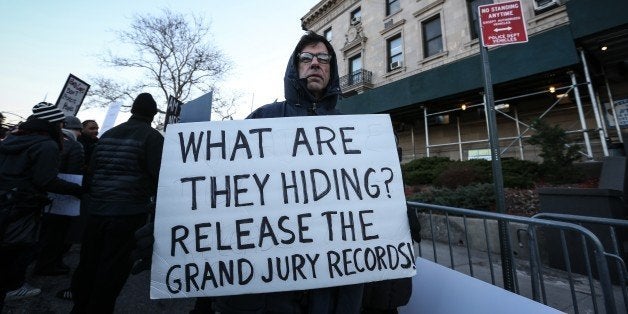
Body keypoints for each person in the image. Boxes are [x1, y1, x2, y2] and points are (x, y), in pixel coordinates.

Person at [70, 93, 164, 314]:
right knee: (113, 269)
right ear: (152, 114)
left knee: (89, 262)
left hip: (97, 210)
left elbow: (92, 170)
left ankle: (80, 306)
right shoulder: (153, 137)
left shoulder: (109, 134)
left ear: (133, 111)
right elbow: (160, 175)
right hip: (128, 213)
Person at [0, 102, 83, 309]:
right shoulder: (47, 145)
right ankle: (13, 287)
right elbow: (46, 180)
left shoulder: (12, 139)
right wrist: (77, 189)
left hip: (5, 199)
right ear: (53, 124)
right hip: (24, 203)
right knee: (19, 246)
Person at [33, 115, 85, 276]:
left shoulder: (42, 141)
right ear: (77, 131)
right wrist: (77, 190)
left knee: (43, 231)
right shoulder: (75, 146)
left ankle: (39, 261)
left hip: (38, 194)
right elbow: (74, 172)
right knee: (57, 233)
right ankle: (49, 264)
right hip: (63, 194)